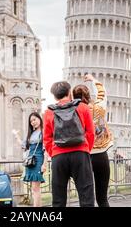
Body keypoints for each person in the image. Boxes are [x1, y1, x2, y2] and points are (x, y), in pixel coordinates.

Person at [43, 81, 95, 207]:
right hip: (80, 153)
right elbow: (91, 132)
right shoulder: (82, 107)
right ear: (69, 92)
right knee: (86, 194)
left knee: (58, 198)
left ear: (54, 96)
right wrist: (86, 149)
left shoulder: (49, 112)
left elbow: (47, 138)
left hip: (59, 156)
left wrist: (53, 153)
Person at [72, 74, 113, 207]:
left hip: (83, 156)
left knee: (85, 199)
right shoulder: (99, 107)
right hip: (101, 154)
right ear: (88, 95)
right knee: (103, 199)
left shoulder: (72, 112)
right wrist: (93, 80)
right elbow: (102, 92)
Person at [20, 112, 48, 207]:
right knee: (33, 188)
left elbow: (46, 150)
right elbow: (24, 145)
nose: (33, 122)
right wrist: (16, 136)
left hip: (38, 161)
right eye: (31, 121)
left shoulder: (43, 132)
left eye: (34, 119)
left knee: (36, 188)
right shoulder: (31, 133)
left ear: (39, 119)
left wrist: (44, 164)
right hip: (30, 161)